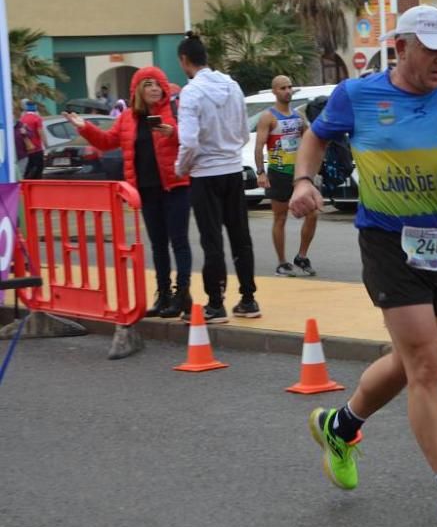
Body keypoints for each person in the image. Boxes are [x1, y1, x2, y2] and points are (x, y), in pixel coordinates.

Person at [289, 5, 437, 527]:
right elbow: (316, 138)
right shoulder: (357, 95)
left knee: (413, 358)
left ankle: (340, 427)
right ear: (402, 47)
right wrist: (302, 181)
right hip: (387, 240)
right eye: (430, 48)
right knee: (428, 369)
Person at [65, 67, 193, 318]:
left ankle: (182, 295)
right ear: (137, 90)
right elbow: (106, 142)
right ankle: (163, 294)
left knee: (179, 242)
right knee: (157, 244)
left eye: (158, 84)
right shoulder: (126, 118)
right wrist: (85, 128)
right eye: (148, 85)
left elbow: (193, 140)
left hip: (176, 186)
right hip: (146, 190)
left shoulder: (175, 112)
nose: (155, 89)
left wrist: (173, 132)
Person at [175, 32, 260, 323]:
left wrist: (181, 167)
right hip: (232, 168)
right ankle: (248, 299)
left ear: (184, 60)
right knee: (241, 236)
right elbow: (240, 130)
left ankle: (215, 303)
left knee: (211, 239)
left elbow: (189, 141)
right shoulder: (232, 85)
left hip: (204, 173)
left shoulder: (191, 92)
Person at [255, 75, 318, 277]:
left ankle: (301, 256)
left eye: (290, 87)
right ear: (274, 91)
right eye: (283, 88)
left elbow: (311, 139)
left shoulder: (299, 117)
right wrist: (261, 172)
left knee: (313, 213)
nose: (287, 91)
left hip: (298, 174)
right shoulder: (268, 117)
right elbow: (258, 146)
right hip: (279, 173)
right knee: (280, 218)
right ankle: (282, 262)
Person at [18, 99, 45, 179]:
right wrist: (46, 144)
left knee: (28, 169)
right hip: (37, 148)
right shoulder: (37, 118)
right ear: (35, 107)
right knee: (38, 169)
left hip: (26, 149)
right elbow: (40, 132)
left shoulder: (22, 119)